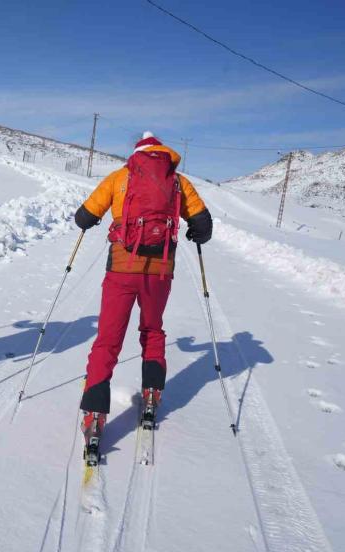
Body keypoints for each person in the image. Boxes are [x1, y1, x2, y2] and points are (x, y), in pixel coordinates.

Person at [73, 131, 212, 448]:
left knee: (108, 340)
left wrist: (91, 220)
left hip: (121, 269)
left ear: (136, 154)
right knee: (152, 330)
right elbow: (203, 225)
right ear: (162, 152)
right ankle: (151, 396)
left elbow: (84, 216)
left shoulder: (118, 178)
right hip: (160, 271)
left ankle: (94, 415)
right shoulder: (178, 183)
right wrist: (195, 233)